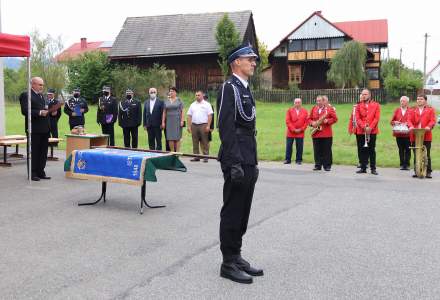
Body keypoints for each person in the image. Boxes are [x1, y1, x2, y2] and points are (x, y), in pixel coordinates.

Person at [217, 44, 263, 284]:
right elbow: (226, 126)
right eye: (249, 59)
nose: (254, 63)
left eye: (254, 60)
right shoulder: (229, 88)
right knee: (233, 210)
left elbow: (248, 129)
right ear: (236, 63)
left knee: (243, 211)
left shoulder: (245, 88)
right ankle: (227, 263)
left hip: (248, 158)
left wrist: (252, 163)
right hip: (236, 159)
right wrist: (235, 162)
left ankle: (236, 255)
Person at [19, 77, 51, 181]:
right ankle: (32, 173)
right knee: (34, 152)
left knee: (43, 152)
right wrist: (39, 112)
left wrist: (51, 111)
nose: (42, 87)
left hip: (45, 128)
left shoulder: (42, 96)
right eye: (40, 85)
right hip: (34, 128)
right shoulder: (26, 95)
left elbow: (44, 108)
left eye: (42, 85)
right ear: (33, 84)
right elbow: (25, 111)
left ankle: (41, 171)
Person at [407, 94, 436, 178]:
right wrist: (411, 126)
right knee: (416, 153)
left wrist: (428, 126)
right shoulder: (412, 110)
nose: (419, 100)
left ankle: (428, 171)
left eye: (421, 99)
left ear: (425, 101)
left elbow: (432, 120)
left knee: (427, 154)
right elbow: (409, 120)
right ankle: (417, 171)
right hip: (415, 135)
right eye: (418, 99)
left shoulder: (430, 110)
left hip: (426, 135)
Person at [355, 89, 381, 175]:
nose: (363, 96)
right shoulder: (358, 106)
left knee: (371, 150)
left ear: (369, 95)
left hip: (372, 131)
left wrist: (370, 128)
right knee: (362, 149)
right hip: (361, 131)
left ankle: (373, 168)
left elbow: (376, 118)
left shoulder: (376, 105)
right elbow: (357, 118)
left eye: (365, 94)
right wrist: (363, 127)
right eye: (362, 94)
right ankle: (363, 167)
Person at [309, 95, 338, 171]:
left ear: (323, 101)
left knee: (327, 150)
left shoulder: (329, 109)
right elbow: (309, 119)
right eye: (317, 101)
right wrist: (312, 123)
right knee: (317, 150)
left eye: (320, 101)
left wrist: (327, 121)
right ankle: (318, 165)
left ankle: (327, 165)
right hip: (316, 133)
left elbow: (335, 119)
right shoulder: (314, 108)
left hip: (326, 133)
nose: (318, 102)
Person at [187, 90, 213, 162]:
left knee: (205, 141)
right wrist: (189, 126)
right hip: (194, 125)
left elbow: (210, 115)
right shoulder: (192, 105)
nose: (197, 96)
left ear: (202, 96)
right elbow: (189, 116)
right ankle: (196, 156)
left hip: (203, 125)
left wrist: (208, 126)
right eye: (196, 95)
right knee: (195, 141)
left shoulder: (207, 104)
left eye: (198, 95)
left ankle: (205, 156)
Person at [284, 98, 308, 165]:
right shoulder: (289, 110)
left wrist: (301, 129)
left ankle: (299, 160)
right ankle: (287, 159)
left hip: (300, 132)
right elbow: (287, 121)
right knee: (289, 146)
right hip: (290, 132)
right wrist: (293, 129)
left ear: (301, 103)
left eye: (299, 102)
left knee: (300, 146)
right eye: (296, 102)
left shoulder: (305, 111)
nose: (297, 104)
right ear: (294, 103)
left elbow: (306, 122)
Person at [390, 96, 412, 170]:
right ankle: (402, 164)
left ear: (407, 102)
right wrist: (395, 122)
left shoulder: (411, 111)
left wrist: (408, 124)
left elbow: (414, 121)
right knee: (401, 149)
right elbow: (391, 121)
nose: (402, 102)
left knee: (408, 149)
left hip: (408, 134)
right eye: (401, 101)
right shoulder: (397, 110)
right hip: (398, 133)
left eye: (404, 101)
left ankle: (407, 164)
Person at [162, 87, 184, 152]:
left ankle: (177, 152)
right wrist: (163, 122)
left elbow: (182, 111)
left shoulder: (179, 100)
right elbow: (164, 112)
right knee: (170, 138)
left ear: (175, 92)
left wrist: (182, 120)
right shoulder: (166, 101)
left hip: (177, 120)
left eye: (172, 91)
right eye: (170, 91)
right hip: (169, 121)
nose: (171, 92)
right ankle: (172, 152)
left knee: (177, 138)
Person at [348, 96, 362, 168]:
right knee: (359, 147)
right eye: (360, 97)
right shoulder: (355, 107)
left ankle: (366, 161)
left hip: (364, 129)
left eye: (363, 96)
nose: (361, 98)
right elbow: (352, 118)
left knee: (366, 147)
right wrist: (350, 128)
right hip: (357, 129)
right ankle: (361, 161)